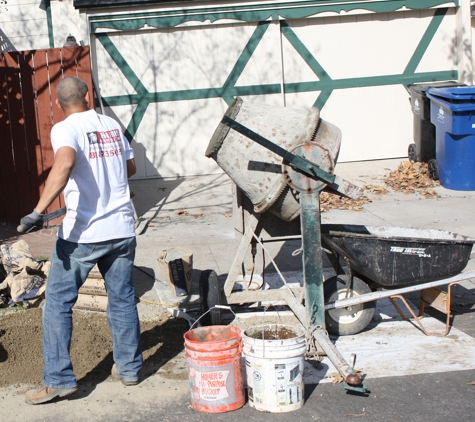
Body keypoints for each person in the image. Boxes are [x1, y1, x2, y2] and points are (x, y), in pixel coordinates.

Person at [21, 76, 142, 405]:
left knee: (58, 303)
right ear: (87, 96)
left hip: (84, 235)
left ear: (59, 104)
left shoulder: (65, 128)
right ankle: (129, 369)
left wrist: (38, 210)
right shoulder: (111, 125)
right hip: (122, 229)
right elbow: (129, 167)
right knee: (122, 298)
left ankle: (58, 379)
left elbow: (66, 162)